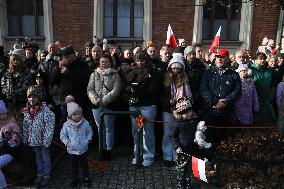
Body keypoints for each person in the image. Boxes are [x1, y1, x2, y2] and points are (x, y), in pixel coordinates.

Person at [128, 50, 162, 167]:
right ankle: (137, 154)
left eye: (142, 60)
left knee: (148, 132)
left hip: (148, 105)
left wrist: (138, 92)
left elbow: (154, 89)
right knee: (135, 131)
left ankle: (148, 156)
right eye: (137, 60)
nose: (140, 63)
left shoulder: (153, 71)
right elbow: (127, 86)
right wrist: (130, 91)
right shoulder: (132, 72)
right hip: (134, 105)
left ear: (146, 60)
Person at [200, 49, 241, 144]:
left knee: (223, 139)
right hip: (209, 111)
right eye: (218, 57)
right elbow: (203, 88)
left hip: (225, 113)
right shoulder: (208, 73)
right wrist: (214, 101)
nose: (219, 59)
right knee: (207, 139)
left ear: (227, 59)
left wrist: (225, 101)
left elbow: (237, 91)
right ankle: (208, 157)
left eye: (222, 57)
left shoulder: (234, 75)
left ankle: (220, 158)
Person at [87, 54, 121, 160]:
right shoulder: (94, 74)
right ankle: (101, 149)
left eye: (106, 61)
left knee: (109, 128)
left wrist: (104, 100)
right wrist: (96, 100)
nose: (104, 63)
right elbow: (90, 89)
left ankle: (109, 150)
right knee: (99, 128)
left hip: (110, 105)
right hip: (96, 105)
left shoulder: (115, 75)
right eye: (102, 62)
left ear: (110, 63)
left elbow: (116, 90)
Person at [22, 85, 55, 187]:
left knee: (45, 157)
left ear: (39, 97)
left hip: (43, 140)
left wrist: (47, 140)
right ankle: (39, 174)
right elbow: (25, 126)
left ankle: (46, 175)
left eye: (34, 96)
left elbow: (49, 126)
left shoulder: (45, 110)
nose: (32, 99)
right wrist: (25, 138)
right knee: (37, 157)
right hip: (33, 140)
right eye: (29, 96)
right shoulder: (27, 111)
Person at [160, 53, 190, 167]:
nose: (176, 70)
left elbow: (188, 94)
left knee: (179, 133)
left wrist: (182, 106)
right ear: (170, 67)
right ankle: (167, 156)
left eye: (178, 67)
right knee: (167, 133)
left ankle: (177, 155)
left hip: (182, 109)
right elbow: (162, 95)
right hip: (168, 110)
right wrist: (170, 104)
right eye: (174, 67)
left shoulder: (185, 78)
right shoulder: (165, 78)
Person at [60, 100, 93, 188]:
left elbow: (90, 132)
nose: (77, 116)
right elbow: (62, 136)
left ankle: (86, 178)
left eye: (79, 113)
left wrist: (88, 140)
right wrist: (67, 143)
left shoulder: (85, 123)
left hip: (83, 149)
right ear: (70, 116)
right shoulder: (66, 125)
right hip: (72, 151)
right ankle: (75, 179)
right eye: (75, 114)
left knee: (84, 165)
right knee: (73, 166)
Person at [1, 49, 33, 114]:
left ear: (21, 60)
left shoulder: (26, 72)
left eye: (17, 60)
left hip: (21, 101)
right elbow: (3, 83)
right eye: (14, 60)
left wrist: (15, 92)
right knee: (11, 120)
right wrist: (6, 91)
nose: (15, 61)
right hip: (9, 101)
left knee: (21, 119)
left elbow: (27, 85)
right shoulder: (8, 72)